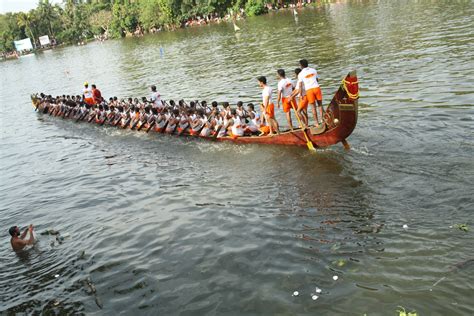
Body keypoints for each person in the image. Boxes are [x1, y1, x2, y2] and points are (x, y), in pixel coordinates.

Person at [297, 59, 323, 127]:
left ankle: (316, 123)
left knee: (313, 107)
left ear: (301, 66)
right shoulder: (314, 70)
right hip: (316, 88)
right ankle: (322, 119)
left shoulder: (300, 74)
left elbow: (300, 85)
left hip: (309, 90)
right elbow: (317, 80)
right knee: (320, 105)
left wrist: (300, 95)